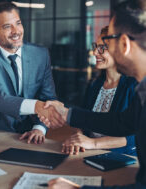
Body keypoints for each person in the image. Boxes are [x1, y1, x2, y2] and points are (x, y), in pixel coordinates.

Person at [39, 0, 146, 188]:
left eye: (106, 43)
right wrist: (66, 113)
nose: (97, 51)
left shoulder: (135, 87)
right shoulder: (141, 90)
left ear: (123, 44)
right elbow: (121, 123)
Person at [0, 2, 57, 144]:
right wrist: (36, 106)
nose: (16, 31)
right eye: (7, 26)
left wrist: (39, 128)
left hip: (29, 132)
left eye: (18, 23)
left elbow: (48, 97)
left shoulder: (41, 54)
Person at [61, 26, 137, 156]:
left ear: (118, 51)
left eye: (102, 48)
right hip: (89, 153)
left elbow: (133, 136)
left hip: (122, 158)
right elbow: (84, 118)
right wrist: (78, 138)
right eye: (95, 46)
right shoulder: (95, 84)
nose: (95, 52)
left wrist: (92, 143)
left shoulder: (134, 86)